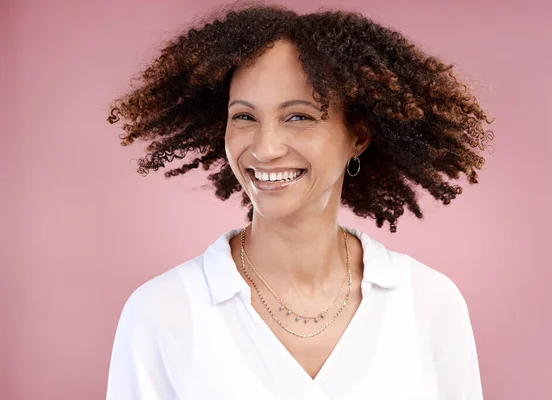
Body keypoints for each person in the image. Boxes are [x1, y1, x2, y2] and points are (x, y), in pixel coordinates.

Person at [106, 3, 494, 399]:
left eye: (298, 117)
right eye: (244, 117)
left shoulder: (429, 303)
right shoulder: (160, 313)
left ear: (357, 137)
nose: (265, 148)